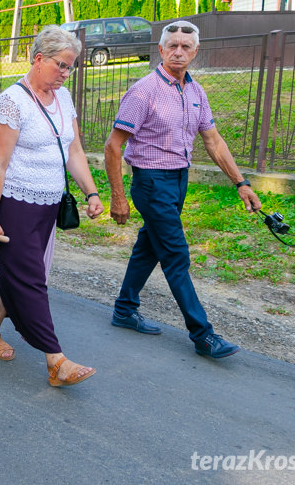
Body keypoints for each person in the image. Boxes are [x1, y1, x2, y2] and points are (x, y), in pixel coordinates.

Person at [104, 20, 262, 359]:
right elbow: (113, 146)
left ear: (195, 52)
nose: (178, 51)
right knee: (176, 256)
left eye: (185, 46)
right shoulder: (143, 91)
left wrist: (241, 183)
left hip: (178, 180)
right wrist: (118, 196)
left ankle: (124, 309)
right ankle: (203, 335)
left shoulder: (195, 92)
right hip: (150, 182)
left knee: (150, 246)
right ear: (160, 50)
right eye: (172, 45)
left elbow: (213, 141)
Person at [0, 26, 103, 387]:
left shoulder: (63, 99)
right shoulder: (11, 102)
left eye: (71, 68)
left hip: (48, 207)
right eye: (62, 66)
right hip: (15, 207)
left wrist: (91, 193)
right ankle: (56, 360)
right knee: (31, 280)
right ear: (38, 59)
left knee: (17, 272)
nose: (66, 74)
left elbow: (74, 151)